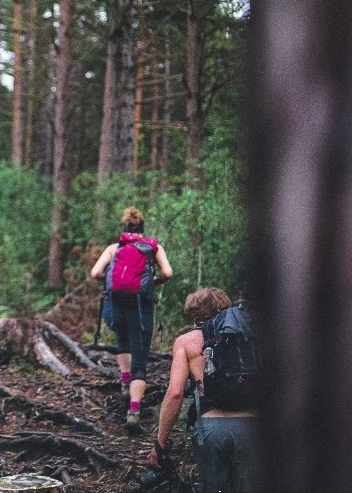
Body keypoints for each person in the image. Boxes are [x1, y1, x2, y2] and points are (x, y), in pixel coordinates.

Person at [147, 287, 259, 492]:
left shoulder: (186, 342)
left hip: (212, 428)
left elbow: (175, 393)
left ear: (195, 315)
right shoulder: (251, 336)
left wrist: (160, 443)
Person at [90, 206, 173, 434]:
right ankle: (134, 411)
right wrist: (149, 284)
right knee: (141, 358)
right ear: (142, 229)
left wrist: (111, 284)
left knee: (122, 342)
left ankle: (125, 384)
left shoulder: (114, 248)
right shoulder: (152, 248)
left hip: (116, 304)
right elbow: (167, 273)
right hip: (141, 307)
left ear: (124, 227)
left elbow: (95, 273)